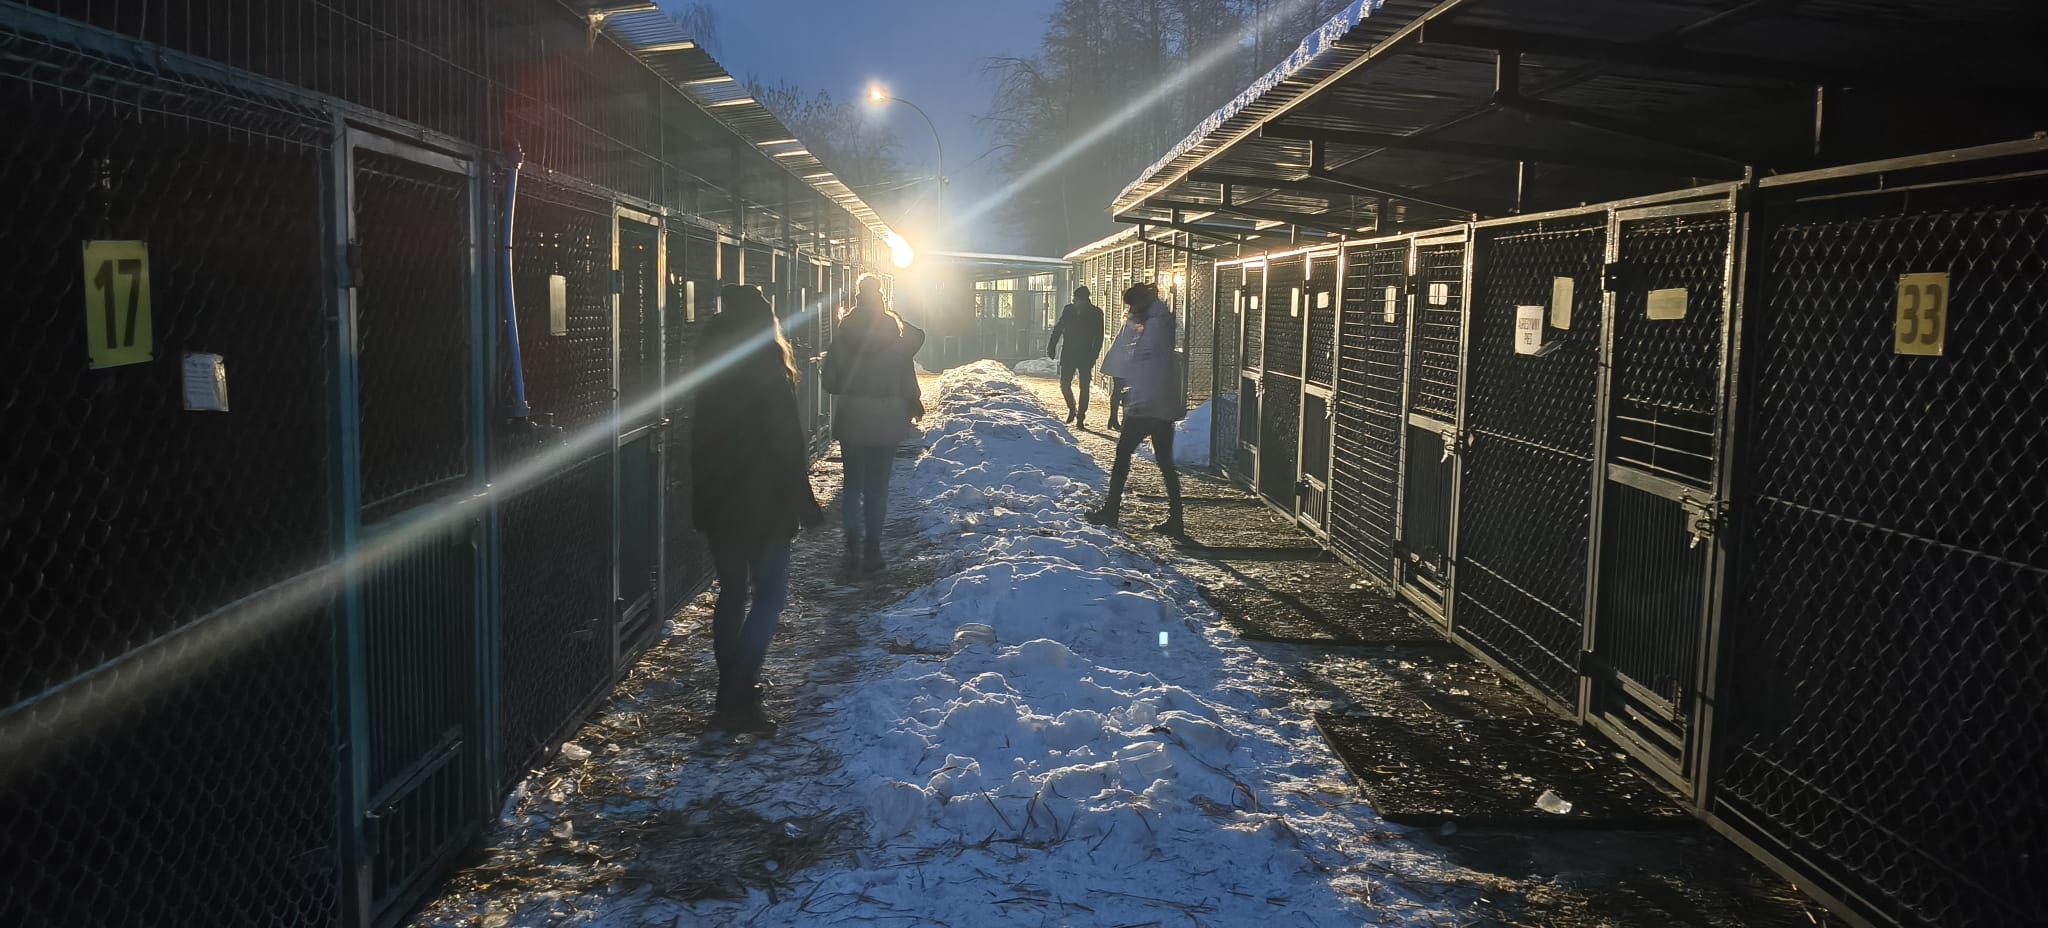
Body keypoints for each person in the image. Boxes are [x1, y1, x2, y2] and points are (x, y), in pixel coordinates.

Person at [692, 284, 824, 734]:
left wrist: (702, 502)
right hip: (765, 504)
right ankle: (738, 694)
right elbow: (786, 445)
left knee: (731, 595)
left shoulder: (708, 368)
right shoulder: (771, 367)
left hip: (721, 503)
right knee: (769, 596)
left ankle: (729, 693)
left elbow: (699, 443)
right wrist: (806, 504)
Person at [824, 275, 926, 572]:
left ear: (857, 299)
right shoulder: (895, 340)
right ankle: (873, 547)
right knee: (878, 488)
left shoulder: (843, 337)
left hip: (853, 416)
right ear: (881, 299)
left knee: (853, 484)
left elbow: (829, 382)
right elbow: (911, 364)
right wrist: (890, 314)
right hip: (887, 419)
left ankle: (852, 543)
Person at [1086, 283, 1184, 535]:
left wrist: (1138, 398)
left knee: (1122, 456)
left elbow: (1149, 366)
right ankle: (1176, 519)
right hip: (1159, 404)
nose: (1130, 311)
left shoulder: (1154, 328)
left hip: (1147, 406)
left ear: (1141, 303)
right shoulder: (1159, 321)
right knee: (1164, 462)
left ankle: (1111, 511)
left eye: (1132, 306)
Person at [1046, 286, 1106, 426]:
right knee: (1065, 384)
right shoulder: (1069, 310)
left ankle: (1080, 416)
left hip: (1085, 354)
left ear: (1083, 299)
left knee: (1083, 386)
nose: (1074, 300)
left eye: (1076, 298)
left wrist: (1094, 356)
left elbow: (1099, 337)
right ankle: (1072, 408)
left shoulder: (1096, 313)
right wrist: (1052, 346)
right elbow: (1059, 328)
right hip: (1071, 353)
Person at [1097, 305, 1141, 432]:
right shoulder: (1134, 325)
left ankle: (1114, 418)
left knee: (1118, 390)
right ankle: (1121, 420)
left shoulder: (1128, 323)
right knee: (1127, 391)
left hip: (1120, 360)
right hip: (1125, 361)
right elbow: (1132, 344)